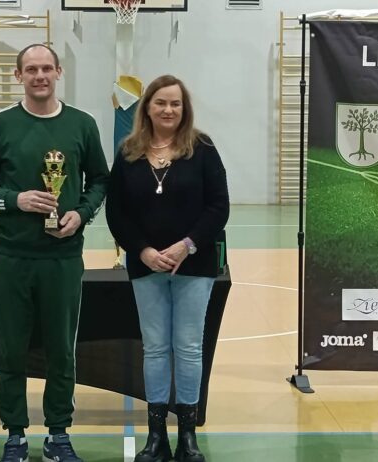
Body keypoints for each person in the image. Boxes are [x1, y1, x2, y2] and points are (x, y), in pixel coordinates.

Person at [0, 43, 109, 462]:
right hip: (13, 257)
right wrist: (16, 200)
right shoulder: (0, 124)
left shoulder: (82, 124)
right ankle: (15, 435)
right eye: (31, 69)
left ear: (59, 72)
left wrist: (81, 214)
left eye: (47, 68)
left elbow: (100, 180)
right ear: (18, 76)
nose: (40, 75)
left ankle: (58, 433)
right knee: (11, 349)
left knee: (62, 349)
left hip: (63, 258)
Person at [106, 75, 230, 462]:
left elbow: (219, 207)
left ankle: (187, 437)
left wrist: (185, 246)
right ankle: (156, 435)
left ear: (184, 108)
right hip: (146, 267)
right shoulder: (128, 152)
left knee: (189, 348)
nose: (168, 110)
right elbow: (116, 212)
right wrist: (142, 251)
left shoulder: (203, 148)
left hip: (194, 265)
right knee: (156, 349)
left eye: (175, 103)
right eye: (160, 102)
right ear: (147, 107)